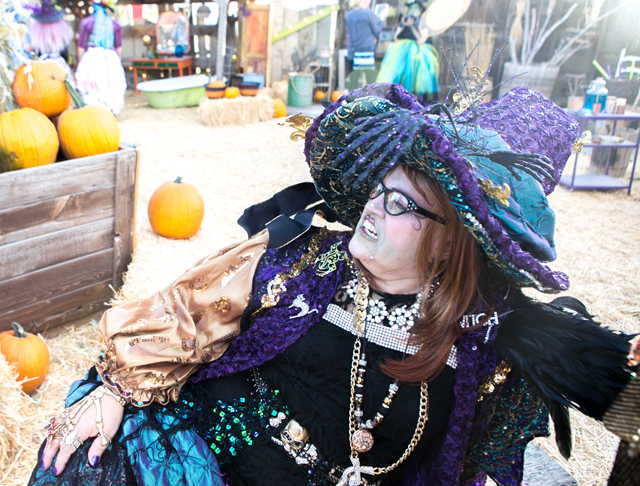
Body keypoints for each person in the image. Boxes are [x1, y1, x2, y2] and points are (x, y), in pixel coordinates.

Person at [28, 83, 632, 486]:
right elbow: (185, 309)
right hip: (205, 459)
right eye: (379, 189)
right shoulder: (302, 257)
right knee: (81, 457)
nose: (372, 207)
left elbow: (616, 384)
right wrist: (115, 388)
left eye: (401, 204)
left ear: (452, 241)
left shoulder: (488, 326)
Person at [376, 0, 439, 104]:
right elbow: (396, 37)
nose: (413, 11)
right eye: (411, 8)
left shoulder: (423, 22)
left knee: (416, 79)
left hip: (418, 54)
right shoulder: (404, 20)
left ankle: (417, 102)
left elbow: (421, 40)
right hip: (401, 52)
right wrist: (404, 25)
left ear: (421, 9)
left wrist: (412, 27)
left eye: (416, 8)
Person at [74, 0, 126, 115]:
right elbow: (119, 47)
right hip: (110, 57)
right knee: (112, 84)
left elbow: (81, 46)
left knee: (92, 86)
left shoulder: (86, 23)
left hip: (92, 58)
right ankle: (110, 111)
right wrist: (117, 62)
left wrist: (81, 62)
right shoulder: (115, 24)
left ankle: (94, 112)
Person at [24, 0, 74, 79]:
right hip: (58, 66)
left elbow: (37, 53)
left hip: (42, 67)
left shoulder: (37, 38)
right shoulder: (60, 36)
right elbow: (65, 54)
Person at [345, 0, 385, 79]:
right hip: (367, 53)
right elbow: (377, 31)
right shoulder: (368, 14)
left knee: (354, 80)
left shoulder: (348, 15)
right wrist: (382, 19)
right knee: (370, 80)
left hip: (353, 52)